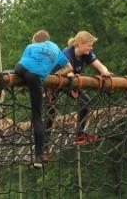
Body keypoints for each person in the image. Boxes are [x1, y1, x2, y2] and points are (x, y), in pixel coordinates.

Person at [14, 30, 73, 169]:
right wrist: (56, 73)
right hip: (36, 78)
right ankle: (38, 157)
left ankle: (13, 85)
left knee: (16, 71)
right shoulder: (57, 50)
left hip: (23, 69)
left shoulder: (31, 46)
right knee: (37, 117)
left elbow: (23, 61)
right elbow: (69, 68)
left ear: (36, 41)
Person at [45, 31, 112, 148]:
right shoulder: (67, 53)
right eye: (89, 45)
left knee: (85, 102)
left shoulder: (86, 53)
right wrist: (73, 87)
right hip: (53, 83)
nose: (91, 48)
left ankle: (79, 134)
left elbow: (99, 65)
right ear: (80, 44)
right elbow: (68, 72)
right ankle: (44, 146)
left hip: (70, 83)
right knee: (51, 111)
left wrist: (105, 71)